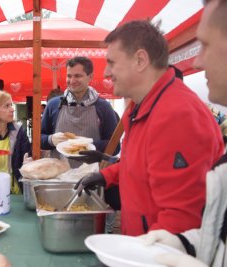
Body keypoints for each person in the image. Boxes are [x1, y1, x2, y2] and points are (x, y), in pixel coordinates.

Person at [75, 20, 224, 236]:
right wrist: (107, 176)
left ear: (140, 60)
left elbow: (181, 219)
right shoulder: (141, 105)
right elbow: (144, 165)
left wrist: (134, 253)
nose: (106, 72)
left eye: (112, 62)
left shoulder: (177, 115)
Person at [140, 0, 227, 266]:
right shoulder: (141, 106)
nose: (198, 60)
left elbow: (184, 202)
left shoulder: (178, 111)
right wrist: (184, 244)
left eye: (206, 44)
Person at [41, 56, 119, 168]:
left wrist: (86, 145)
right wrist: (50, 140)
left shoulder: (104, 107)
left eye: (77, 76)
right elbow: (38, 139)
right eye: (69, 76)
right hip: (59, 177)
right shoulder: (53, 105)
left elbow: (115, 147)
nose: (72, 81)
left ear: (90, 77)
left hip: (93, 177)